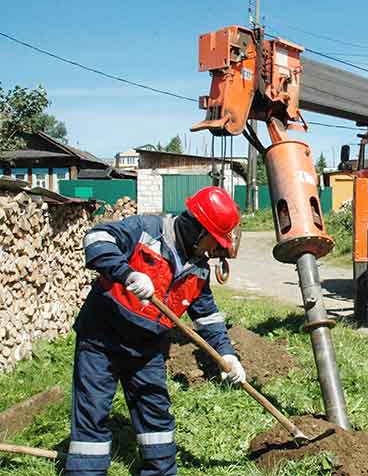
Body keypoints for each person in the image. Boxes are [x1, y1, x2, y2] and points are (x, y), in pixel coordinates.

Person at [65, 186, 246, 476]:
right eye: (214, 241)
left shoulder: (198, 269)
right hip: (101, 338)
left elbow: (208, 319)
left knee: (156, 418)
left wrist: (227, 355)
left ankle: (160, 472)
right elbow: (96, 238)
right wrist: (127, 273)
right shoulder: (145, 230)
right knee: (93, 413)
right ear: (199, 230)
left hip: (147, 347)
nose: (214, 250)